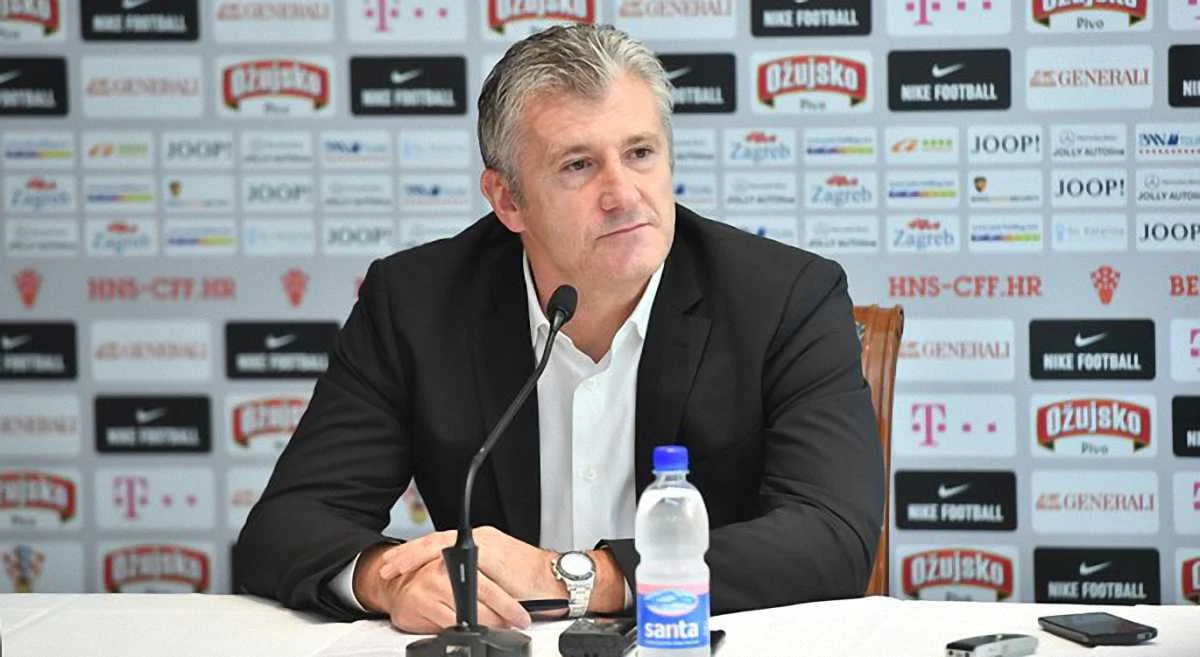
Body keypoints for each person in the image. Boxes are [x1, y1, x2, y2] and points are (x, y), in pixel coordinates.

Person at [234, 24, 884, 634]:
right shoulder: (416, 304)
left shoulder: (784, 298)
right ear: (507, 200)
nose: (623, 193)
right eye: (578, 165)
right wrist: (389, 577)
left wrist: (580, 578)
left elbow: (831, 537)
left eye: (640, 153)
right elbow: (287, 525)